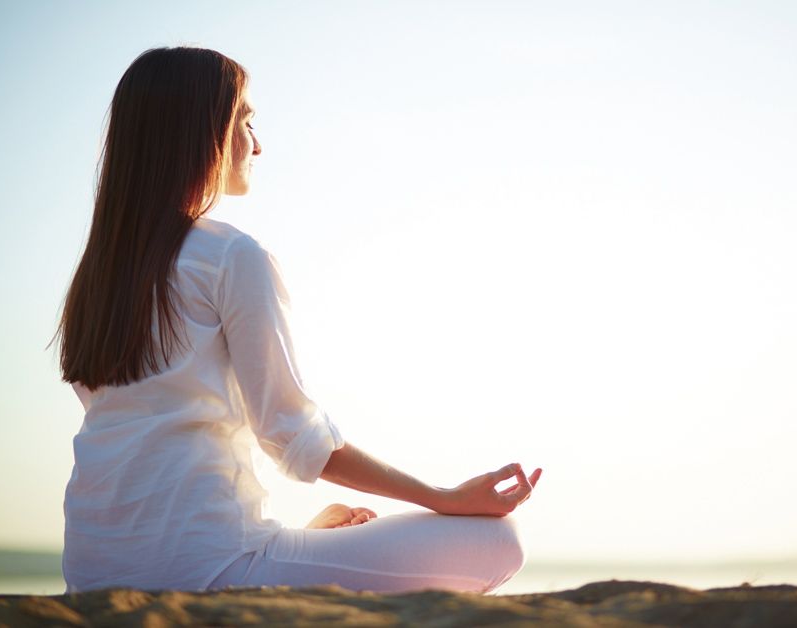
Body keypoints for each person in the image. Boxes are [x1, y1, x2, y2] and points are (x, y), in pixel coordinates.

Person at [52, 47, 542, 595]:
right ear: (202, 132)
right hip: (208, 569)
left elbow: (147, 446)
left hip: (91, 575)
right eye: (246, 122)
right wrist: (444, 497)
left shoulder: (95, 280)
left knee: (283, 541)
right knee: (500, 541)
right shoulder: (230, 256)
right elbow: (292, 434)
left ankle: (288, 552)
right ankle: (278, 559)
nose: (257, 143)